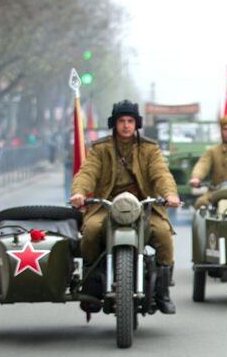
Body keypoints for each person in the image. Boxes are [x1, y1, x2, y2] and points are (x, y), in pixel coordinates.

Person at [69, 100, 181, 314]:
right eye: (122, 121)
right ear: (115, 123)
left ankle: (162, 291)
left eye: (130, 121)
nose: (126, 125)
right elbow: (87, 172)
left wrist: (169, 194)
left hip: (143, 206)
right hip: (107, 205)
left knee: (164, 234)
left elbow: (161, 173)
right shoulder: (100, 148)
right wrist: (79, 192)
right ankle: (92, 285)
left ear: (136, 123)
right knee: (91, 231)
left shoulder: (149, 148)